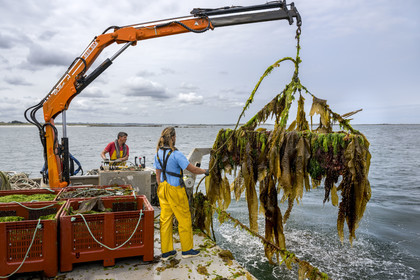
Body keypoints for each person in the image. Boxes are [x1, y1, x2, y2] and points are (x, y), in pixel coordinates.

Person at [154, 126, 209, 261]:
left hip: (163, 188)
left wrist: (161, 187)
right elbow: (192, 169)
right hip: (175, 189)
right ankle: (187, 250)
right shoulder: (176, 154)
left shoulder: (158, 153)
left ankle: (167, 252)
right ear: (172, 138)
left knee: (165, 219)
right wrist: (205, 171)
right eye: (175, 136)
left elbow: (157, 174)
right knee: (184, 218)